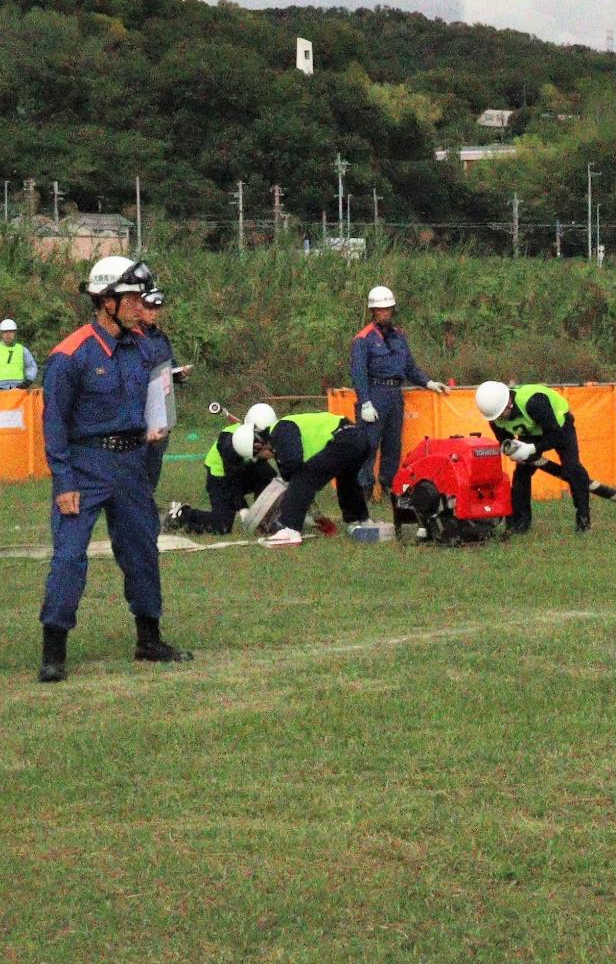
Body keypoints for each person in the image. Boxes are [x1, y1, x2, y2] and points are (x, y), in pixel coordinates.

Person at [38, 256, 194, 681]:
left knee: (143, 551)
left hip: (131, 465)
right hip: (84, 466)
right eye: (130, 296)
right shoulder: (70, 355)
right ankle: (54, 650)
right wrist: (64, 480)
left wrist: (156, 426)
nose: (138, 303)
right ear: (106, 300)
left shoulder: (141, 347)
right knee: (69, 557)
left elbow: (153, 398)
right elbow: (53, 424)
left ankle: (149, 639)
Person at [349, 285, 449, 497]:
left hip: (395, 394)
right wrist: (365, 402)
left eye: (388, 309)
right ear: (373, 311)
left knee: (393, 445)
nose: (385, 313)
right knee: (368, 445)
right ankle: (363, 490)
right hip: (375, 392)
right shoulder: (363, 338)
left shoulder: (398, 337)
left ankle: (390, 487)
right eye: (381, 309)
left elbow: (409, 367)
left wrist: (429, 383)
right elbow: (358, 373)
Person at [475, 380, 594, 534]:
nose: (500, 420)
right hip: (530, 432)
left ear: (509, 403)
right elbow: (506, 441)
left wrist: (532, 448)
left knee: (572, 470)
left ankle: (583, 518)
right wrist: (513, 451)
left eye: (501, 414)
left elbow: (557, 437)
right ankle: (520, 523)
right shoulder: (495, 417)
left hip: (559, 428)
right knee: (521, 475)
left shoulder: (534, 402)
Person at [246, 409, 375, 546]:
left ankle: (290, 529)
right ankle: (360, 520)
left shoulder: (280, 429)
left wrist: (291, 484)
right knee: (347, 479)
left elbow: (293, 464)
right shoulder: (290, 424)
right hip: (358, 437)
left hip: (344, 439)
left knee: (303, 476)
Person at [166, 404, 279, 535]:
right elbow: (232, 480)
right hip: (221, 478)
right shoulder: (229, 445)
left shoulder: (256, 437)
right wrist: (243, 509)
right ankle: (182, 514)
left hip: (242, 471)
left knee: (268, 475)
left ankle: (265, 518)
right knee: (221, 526)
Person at [132, 283, 181, 488]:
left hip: (162, 406)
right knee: (137, 456)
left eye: (156, 309)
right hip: (139, 406)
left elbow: (170, 365)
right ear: (138, 308)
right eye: (149, 308)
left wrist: (180, 374)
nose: (154, 313)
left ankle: (148, 497)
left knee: (156, 455)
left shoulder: (160, 337)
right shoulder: (131, 336)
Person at [0, 319, 37, 388]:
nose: (8, 335)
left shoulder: (22, 349)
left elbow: (32, 365)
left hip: (18, 388)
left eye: (11, 332)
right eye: (5, 332)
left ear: (15, 333)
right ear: (1, 333)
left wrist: (28, 381)